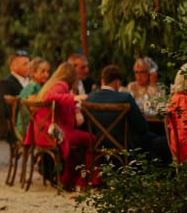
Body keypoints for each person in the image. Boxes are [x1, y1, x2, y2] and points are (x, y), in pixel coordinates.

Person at [27, 62, 96, 190]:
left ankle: (68, 179)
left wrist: (75, 110)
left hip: (42, 132)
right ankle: (84, 181)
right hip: (54, 134)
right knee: (92, 139)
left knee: (79, 145)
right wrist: (75, 98)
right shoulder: (61, 85)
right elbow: (51, 96)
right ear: (72, 76)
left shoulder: (52, 84)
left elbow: (58, 100)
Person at [86, 65, 168, 161]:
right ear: (117, 83)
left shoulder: (89, 98)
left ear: (102, 81)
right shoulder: (125, 98)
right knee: (159, 140)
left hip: (99, 143)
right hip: (125, 145)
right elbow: (142, 127)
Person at [15, 57, 51, 140]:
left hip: (25, 127)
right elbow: (34, 108)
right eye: (43, 71)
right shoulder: (34, 88)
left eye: (48, 71)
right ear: (33, 73)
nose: (47, 75)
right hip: (27, 129)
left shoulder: (31, 85)